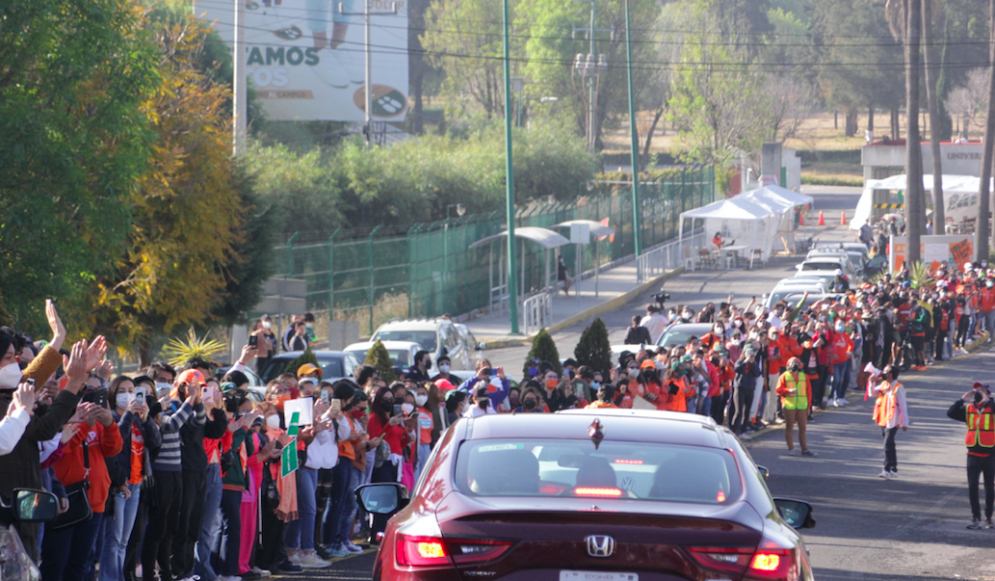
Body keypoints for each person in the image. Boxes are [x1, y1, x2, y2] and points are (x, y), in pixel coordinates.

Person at [100, 376, 161, 581]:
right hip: (119, 485)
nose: (128, 395)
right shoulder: (111, 419)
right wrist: (128, 415)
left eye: (131, 390)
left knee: (124, 541)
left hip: (136, 483)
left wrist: (145, 419)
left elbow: (155, 441)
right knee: (114, 540)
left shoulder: (138, 417)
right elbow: (114, 444)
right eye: (122, 390)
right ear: (113, 394)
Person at [947, 382, 995, 529]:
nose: (979, 393)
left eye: (982, 391)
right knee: (972, 486)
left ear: (988, 394)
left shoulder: (992, 408)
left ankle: (988, 518)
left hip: (990, 454)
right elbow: (951, 413)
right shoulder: (969, 409)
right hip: (972, 454)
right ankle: (976, 518)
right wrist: (962, 399)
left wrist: (990, 403)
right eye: (977, 391)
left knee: (989, 487)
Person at [871, 365, 908, 479]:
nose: (883, 373)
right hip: (883, 419)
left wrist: (905, 422)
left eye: (885, 372)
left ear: (890, 374)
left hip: (893, 419)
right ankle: (894, 468)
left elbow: (903, 406)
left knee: (887, 444)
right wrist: (871, 381)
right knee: (890, 444)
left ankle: (886, 469)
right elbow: (872, 394)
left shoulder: (898, 387)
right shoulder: (884, 385)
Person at [775, 357, 815, 457]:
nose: (794, 364)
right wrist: (788, 391)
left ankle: (804, 449)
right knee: (789, 427)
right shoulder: (784, 376)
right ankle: (791, 448)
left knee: (803, 428)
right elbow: (778, 390)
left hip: (802, 405)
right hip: (789, 405)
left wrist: (809, 407)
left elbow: (809, 392)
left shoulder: (804, 376)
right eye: (791, 362)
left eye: (796, 362)